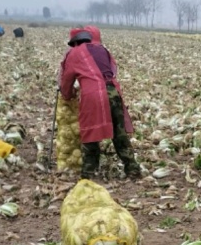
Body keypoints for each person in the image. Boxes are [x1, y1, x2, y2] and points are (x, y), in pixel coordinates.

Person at [58, 28, 142, 179]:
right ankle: (132, 169)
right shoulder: (102, 49)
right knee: (119, 133)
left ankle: (89, 173)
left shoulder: (74, 53)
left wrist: (67, 95)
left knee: (90, 133)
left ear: (75, 42)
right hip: (113, 91)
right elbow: (112, 69)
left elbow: (67, 79)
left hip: (93, 95)